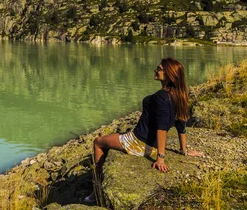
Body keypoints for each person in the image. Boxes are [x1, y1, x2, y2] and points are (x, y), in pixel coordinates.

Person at [85, 58, 202, 203]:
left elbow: (162, 128)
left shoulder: (162, 97)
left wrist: (160, 158)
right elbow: (181, 123)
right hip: (149, 144)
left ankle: (95, 189)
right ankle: (96, 187)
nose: (155, 70)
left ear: (169, 74)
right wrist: (183, 150)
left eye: (159, 69)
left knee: (98, 142)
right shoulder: (179, 95)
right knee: (114, 137)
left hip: (138, 142)